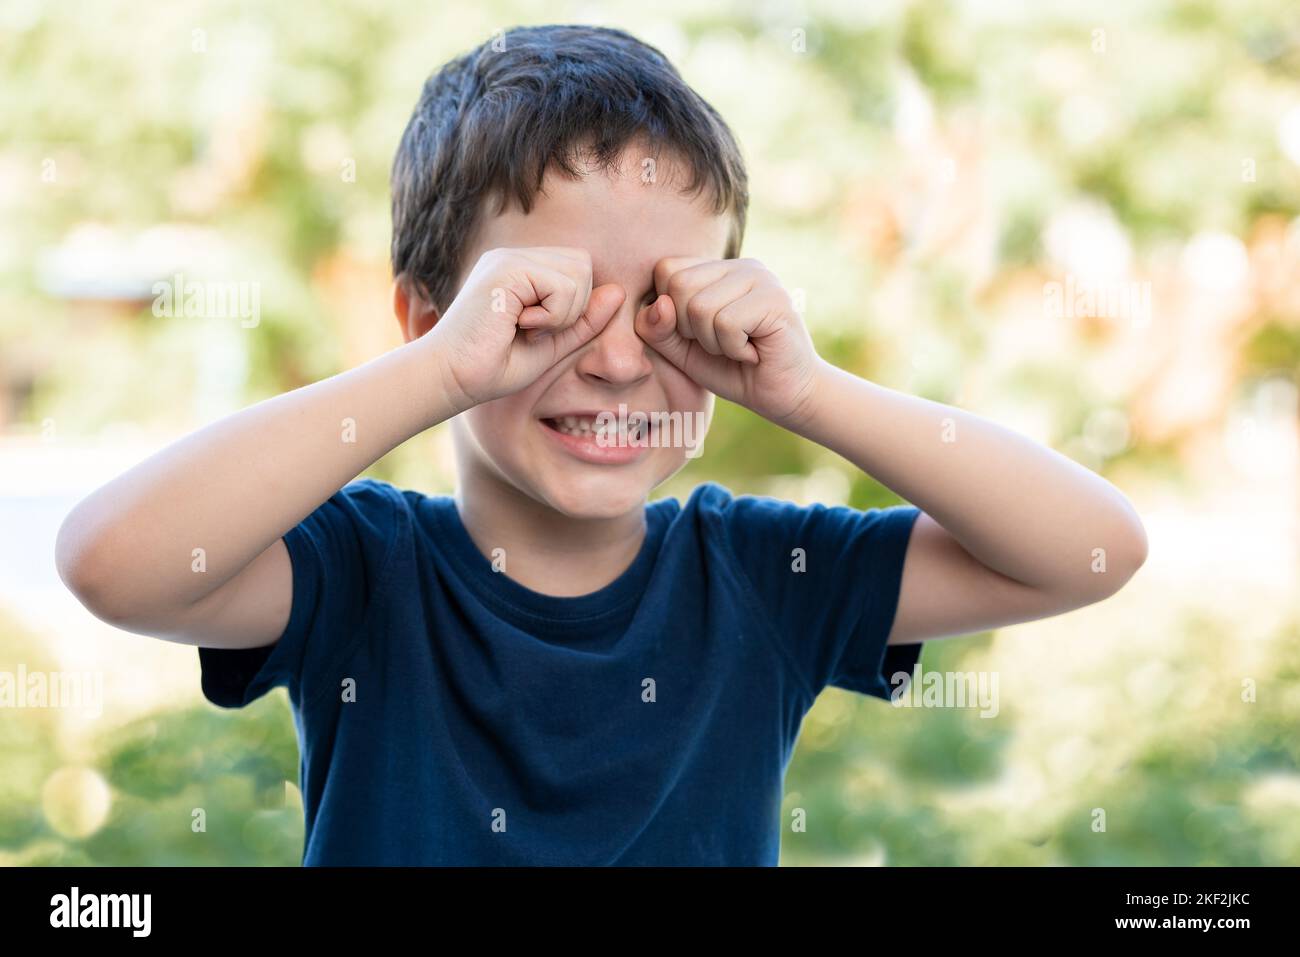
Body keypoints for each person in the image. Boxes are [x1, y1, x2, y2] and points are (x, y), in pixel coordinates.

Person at [55, 24, 1147, 865]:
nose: (619, 362)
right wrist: (436, 374)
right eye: (547, 305)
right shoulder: (360, 570)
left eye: (671, 304)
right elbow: (113, 561)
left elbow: (1093, 551)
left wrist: (808, 393)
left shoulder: (765, 577)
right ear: (429, 319)